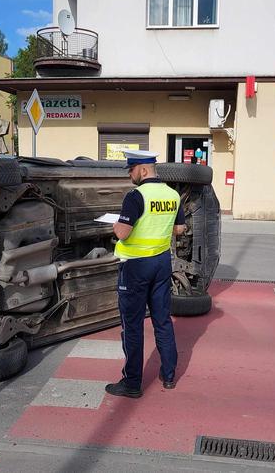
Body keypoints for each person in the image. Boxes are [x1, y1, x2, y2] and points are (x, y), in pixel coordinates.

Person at [105, 149, 185, 399]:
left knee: (133, 325)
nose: (130, 175)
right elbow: (180, 229)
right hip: (162, 263)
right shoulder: (173, 195)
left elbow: (122, 233)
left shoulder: (135, 196)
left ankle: (132, 383)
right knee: (162, 320)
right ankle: (169, 376)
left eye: (130, 170)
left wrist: (116, 224)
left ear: (142, 169)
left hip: (136, 267)